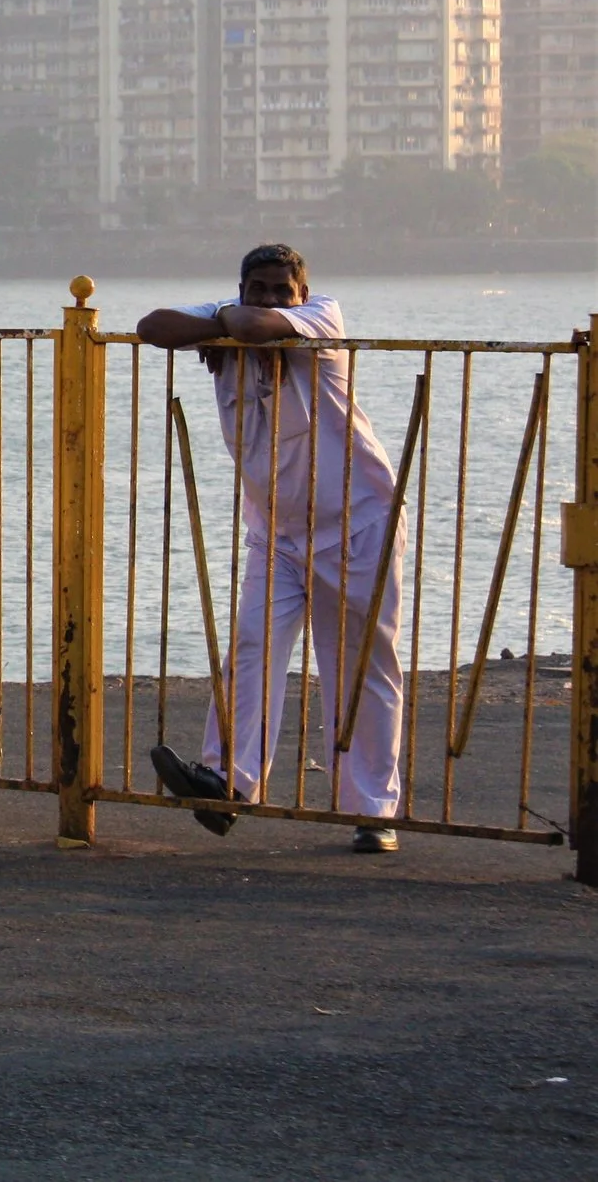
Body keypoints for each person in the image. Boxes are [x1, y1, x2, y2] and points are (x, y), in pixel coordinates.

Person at [136, 244, 406, 854]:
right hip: (277, 530)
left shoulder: (323, 317)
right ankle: (229, 784)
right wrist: (222, 326)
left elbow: (256, 327)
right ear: (240, 287)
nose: (268, 299)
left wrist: (230, 328)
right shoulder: (229, 314)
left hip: (359, 521)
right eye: (256, 288)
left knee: (361, 667)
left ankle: (372, 812)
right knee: (252, 648)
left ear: (301, 295)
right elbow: (152, 326)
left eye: (281, 290)